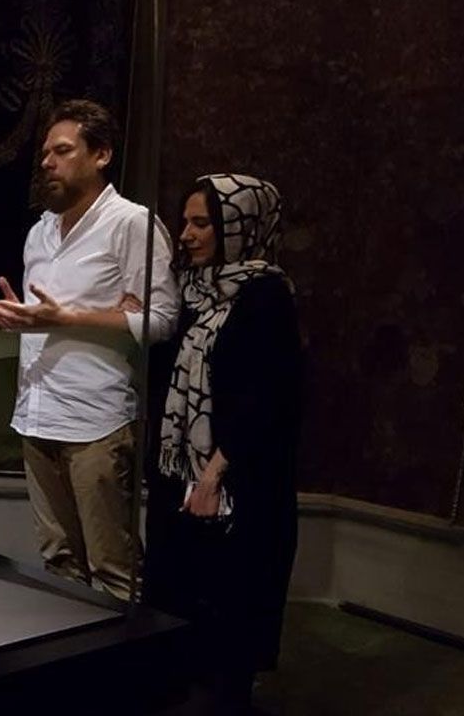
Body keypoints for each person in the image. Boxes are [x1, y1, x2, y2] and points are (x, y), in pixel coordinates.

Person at [0, 99, 179, 601]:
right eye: (45, 153)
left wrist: (68, 318)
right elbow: (48, 317)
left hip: (96, 421)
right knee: (57, 563)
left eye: (63, 150)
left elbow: (162, 319)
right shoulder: (40, 232)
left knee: (112, 568)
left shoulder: (131, 224)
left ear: (101, 154)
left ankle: (126, 655)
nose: (47, 162)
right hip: (37, 414)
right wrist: (22, 320)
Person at [145, 174, 302, 713]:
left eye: (202, 223)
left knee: (230, 606)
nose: (186, 234)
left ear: (241, 227)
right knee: (176, 594)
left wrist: (214, 474)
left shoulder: (266, 296)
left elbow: (270, 397)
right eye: (185, 221)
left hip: (238, 478)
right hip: (180, 475)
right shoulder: (193, 291)